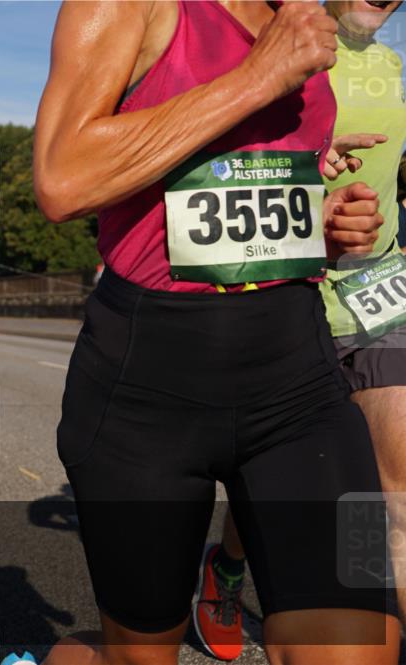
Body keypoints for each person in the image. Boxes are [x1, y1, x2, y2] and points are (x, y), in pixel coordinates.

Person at [34, 2, 398, 665]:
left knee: (362, 645)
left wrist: (321, 224)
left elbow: (245, 185)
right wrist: (260, 75)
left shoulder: (305, 24)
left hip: (300, 380)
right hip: (146, 386)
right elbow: (63, 179)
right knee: (139, 655)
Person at [191, 1, 406, 659]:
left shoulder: (391, 66)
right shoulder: (268, 41)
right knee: (291, 472)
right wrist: (310, 173)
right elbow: (215, 168)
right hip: (287, 290)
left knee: (392, 489)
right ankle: (230, 560)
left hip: (377, 294)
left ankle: (372, 623)